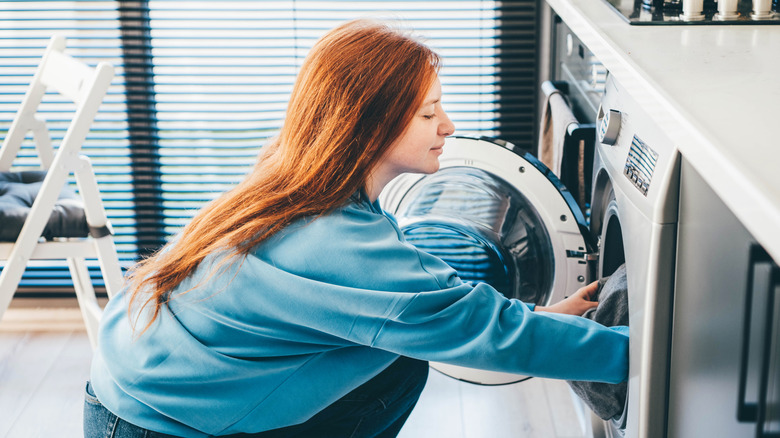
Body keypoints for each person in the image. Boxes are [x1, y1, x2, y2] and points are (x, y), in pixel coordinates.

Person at [85, 18, 628, 438]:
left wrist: (542, 315)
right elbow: (474, 328)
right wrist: (641, 351)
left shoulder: (290, 184)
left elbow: (434, 304)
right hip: (156, 427)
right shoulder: (336, 241)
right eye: (427, 113)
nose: (448, 126)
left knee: (396, 358)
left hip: (134, 392)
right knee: (400, 363)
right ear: (368, 126)